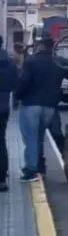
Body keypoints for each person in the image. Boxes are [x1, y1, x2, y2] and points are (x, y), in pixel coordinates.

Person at [15, 36, 68, 181]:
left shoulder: (32, 61)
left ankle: (32, 170)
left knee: (32, 139)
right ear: (53, 47)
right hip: (50, 107)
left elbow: (23, 82)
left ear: (39, 46)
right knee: (43, 137)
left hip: (30, 105)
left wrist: (17, 96)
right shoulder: (58, 62)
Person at [0, 40, 19, 192]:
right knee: (1, 142)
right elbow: (14, 85)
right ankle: (2, 179)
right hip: (3, 107)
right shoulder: (10, 63)